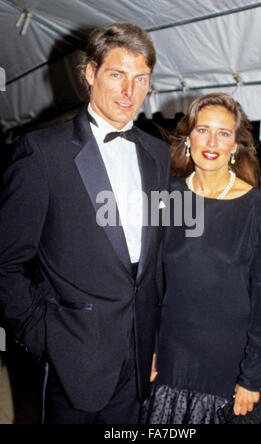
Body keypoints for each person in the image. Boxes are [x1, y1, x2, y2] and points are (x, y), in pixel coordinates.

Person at [0, 23, 170, 424]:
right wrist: (43, 336)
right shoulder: (41, 153)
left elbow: (154, 261)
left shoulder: (157, 154)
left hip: (138, 354)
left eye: (140, 78)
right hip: (71, 356)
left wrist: (155, 340)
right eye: (117, 74)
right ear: (90, 73)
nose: (129, 91)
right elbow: (6, 262)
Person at [142, 93, 261, 424]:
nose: (211, 141)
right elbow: (150, 284)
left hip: (225, 365)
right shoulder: (164, 198)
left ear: (235, 145)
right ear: (188, 138)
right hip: (168, 358)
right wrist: (147, 347)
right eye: (202, 129)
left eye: (223, 133)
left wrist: (251, 377)